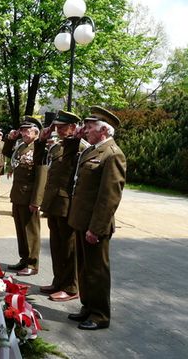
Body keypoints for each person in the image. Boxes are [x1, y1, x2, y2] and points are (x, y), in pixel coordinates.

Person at [67, 106, 126, 331]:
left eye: (90, 127)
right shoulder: (92, 150)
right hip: (82, 221)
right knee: (84, 268)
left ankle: (100, 314)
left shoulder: (113, 154)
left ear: (103, 130)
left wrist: (96, 228)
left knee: (97, 271)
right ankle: (88, 306)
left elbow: (109, 198)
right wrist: (77, 138)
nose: (85, 129)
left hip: (95, 225)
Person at [36, 110, 82, 302]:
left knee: (69, 248)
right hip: (53, 203)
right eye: (57, 127)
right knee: (56, 246)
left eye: (62, 127)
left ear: (73, 127)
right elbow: (40, 162)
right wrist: (40, 141)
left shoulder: (80, 147)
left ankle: (71, 287)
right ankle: (59, 281)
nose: (59, 131)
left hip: (67, 205)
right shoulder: (57, 147)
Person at [2, 117, 47, 276]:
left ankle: (32, 264)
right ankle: (24, 259)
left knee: (31, 231)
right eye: (22, 130)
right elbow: (6, 152)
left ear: (36, 132)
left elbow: (41, 176)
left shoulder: (40, 148)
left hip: (29, 196)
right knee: (21, 230)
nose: (24, 133)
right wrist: (10, 139)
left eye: (27, 130)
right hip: (18, 194)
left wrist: (36, 201)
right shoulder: (21, 146)